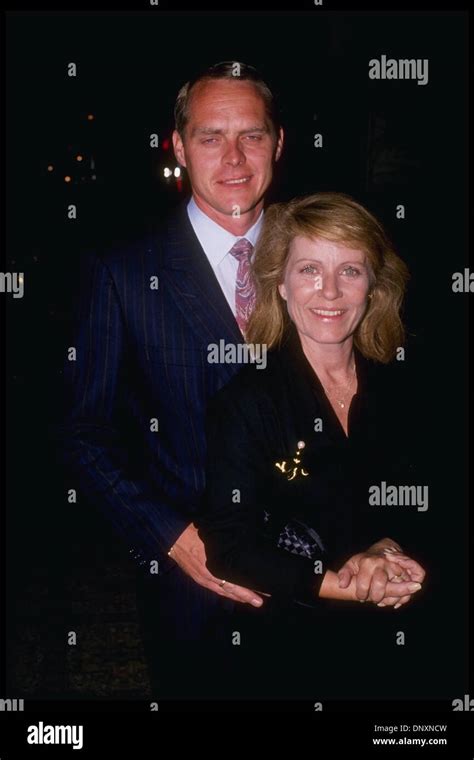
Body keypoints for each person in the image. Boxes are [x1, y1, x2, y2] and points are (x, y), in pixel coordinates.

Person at [59, 60, 285, 699]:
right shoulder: (123, 271)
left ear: (278, 142)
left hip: (318, 574)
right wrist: (176, 542)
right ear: (179, 147)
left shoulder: (323, 256)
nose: (235, 157)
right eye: (211, 136)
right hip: (193, 587)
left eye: (253, 135)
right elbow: (82, 432)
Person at [197, 192, 427, 699]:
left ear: (374, 287)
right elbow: (230, 547)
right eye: (308, 270)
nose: (329, 291)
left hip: (405, 644)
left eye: (350, 270)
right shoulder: (245, 403)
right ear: (280, 284)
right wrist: (349, 581)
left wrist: (387, 548)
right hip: (289, 654)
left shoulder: (410, 389)